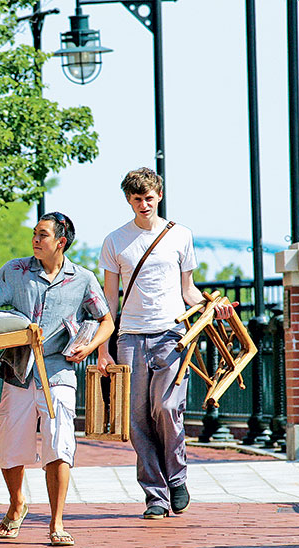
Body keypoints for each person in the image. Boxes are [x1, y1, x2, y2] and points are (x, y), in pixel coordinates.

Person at [0, 213, 114, 547]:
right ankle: (17, 503)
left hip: (59, 371)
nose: (35, 240)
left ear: (61, 242)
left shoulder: (83, 279)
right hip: (19, 370)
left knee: (60, 442)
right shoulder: (16, 271)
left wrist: (90, 346)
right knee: (10, 445)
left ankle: (57, 521)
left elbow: (106, 320)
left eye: (43, 235)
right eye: (34, 233)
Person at [97, 167, 235, 520]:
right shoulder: (115, 240)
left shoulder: (180, 236)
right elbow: (109, 300)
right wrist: (102, 346)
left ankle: (177, 477)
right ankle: (155, 495)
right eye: (136, 198)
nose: (143, 204)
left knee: (168, 407)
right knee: (137, 419)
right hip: (129, 336)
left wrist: (211, 306)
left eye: (149, 197)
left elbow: (188, 290)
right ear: (128, 200)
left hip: (172, 334)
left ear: (159, 196)